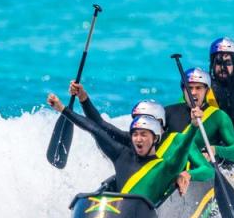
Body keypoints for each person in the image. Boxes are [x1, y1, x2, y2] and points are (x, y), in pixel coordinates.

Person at [46, 90, 201, 203]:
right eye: (135, 133)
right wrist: (64, 108)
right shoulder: (122, 154)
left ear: (156, 135)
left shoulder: (166, 166)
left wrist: (194, 126)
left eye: (144, 134)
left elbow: (183, 149)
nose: (138, 139)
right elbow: (96, 128)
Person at [66, 81, 215, 189]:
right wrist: (83, 98)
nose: (140, 129)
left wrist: (188, 175)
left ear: (159, 124)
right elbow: (100, 124)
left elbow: (208, 170)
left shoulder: (179, 140)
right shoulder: (135, 142)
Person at [163, 67, 234, 167]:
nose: (193, 92)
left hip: (200, 173)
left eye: (198, 88)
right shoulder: (168, 112)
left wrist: (215, 150)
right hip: (170, 171)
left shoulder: (218, 116)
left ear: (207, 91)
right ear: (183, 90)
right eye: (189, 88)